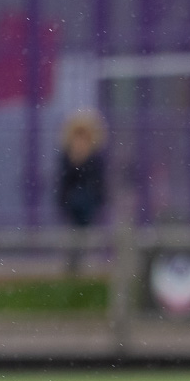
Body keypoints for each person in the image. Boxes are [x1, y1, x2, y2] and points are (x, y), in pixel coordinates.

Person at [56, 110, 107, 274]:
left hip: (87, 201)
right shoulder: (67, 155)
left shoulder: (95, 157)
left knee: (82, 230)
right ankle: (74, 261)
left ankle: (78, 260)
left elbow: (97, 180)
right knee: (75, 230)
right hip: (73, 202)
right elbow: (65, 180)